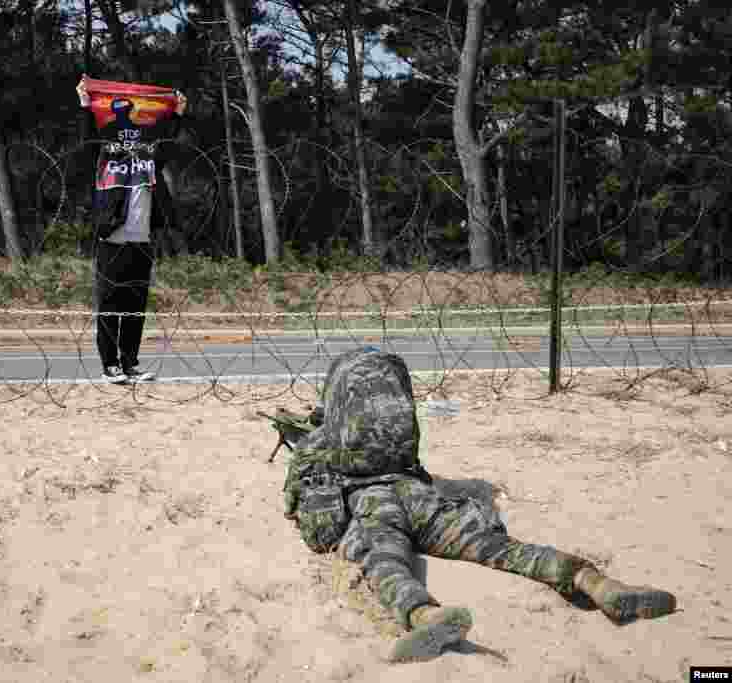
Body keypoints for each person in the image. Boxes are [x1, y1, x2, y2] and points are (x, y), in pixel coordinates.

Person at [273, 348, 677, 662]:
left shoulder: (322, 440)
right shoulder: (394, 431)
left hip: (375, 505)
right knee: (500, 548)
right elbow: (416, 466)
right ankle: (595, 582)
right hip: (423, 500)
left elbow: (296, 504)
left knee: (386, 560)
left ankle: (424, 616)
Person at [76, 76, 187, 384]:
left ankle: (130, 364)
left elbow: (167, 143)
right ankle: (109, 366)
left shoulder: (150, 160)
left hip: (142, 242)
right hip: (112, 241)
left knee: (135, 309)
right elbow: (87, 142)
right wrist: (86, 104)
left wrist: (176, 113)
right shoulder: (106, 159)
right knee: (111, 306)